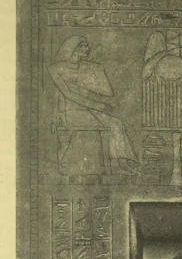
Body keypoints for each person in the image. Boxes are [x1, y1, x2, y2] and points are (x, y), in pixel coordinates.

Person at [48, 36, 138, 174]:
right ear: (73, 48)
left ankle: (121, 163)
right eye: (83, 46)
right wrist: (98, 106)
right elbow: (68, 94)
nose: (87, 48)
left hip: (88, 110)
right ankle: (116, 165)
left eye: (86, 46)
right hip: (70, 112)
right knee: (109, 125)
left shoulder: (86, 67)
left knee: (116, 123)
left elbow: (95, 92)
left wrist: (98, 99)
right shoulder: (56, 68)